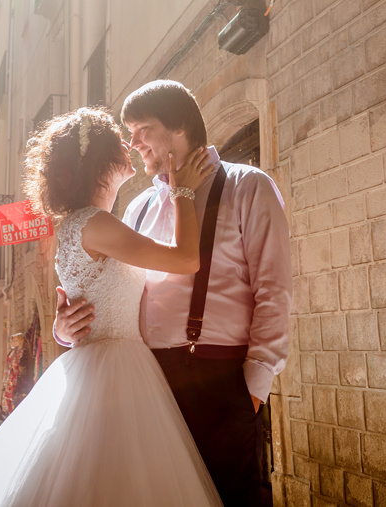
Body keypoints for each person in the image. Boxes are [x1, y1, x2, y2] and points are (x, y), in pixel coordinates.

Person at [0, 107, 221, 506]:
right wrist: (183, 189)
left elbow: (83, 304)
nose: (129, 144)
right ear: (99, 161)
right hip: (116, 373)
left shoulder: (80, 225)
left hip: (94, 367)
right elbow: (186, 260)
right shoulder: (96, 223)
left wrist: (60, 329)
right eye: (117, 139)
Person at [56, 81, 293, 506]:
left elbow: (274, 292)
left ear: (179, 126)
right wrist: (64, 328)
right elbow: (108, 291)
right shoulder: (137, 208)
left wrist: (253, 390)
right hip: (147, 384)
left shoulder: (248, 187)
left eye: (142, 129)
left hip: (221, 384)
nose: (133, 143)